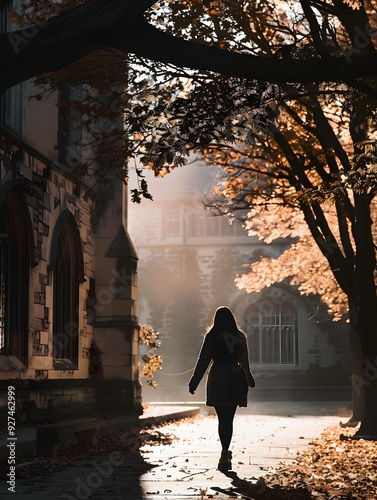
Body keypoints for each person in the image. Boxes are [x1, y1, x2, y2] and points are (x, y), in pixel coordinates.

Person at [188, 306, 255, 472]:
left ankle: (224, 452)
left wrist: (194, 381)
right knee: (229, 419)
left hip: (217, 377)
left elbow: (203, 360)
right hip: (234, 378)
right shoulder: (239, 337)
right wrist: (249, 378)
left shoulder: (211, 337)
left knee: (221, 419)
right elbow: (245, 361)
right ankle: (225, 452)